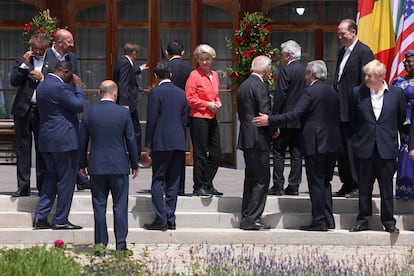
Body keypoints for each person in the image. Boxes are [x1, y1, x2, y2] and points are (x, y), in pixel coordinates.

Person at [253, 60, 342, 231]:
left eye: (306, 74)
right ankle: (328, 219)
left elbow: (295, 113)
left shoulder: (309, 92)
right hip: (332, 143)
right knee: (325, 183)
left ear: (310, 74)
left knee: (316, 183)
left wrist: (270, 120)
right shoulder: (332, 91)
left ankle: (319, 222)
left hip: (316, 143)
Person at [79, 80, 139, 250]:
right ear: (115, 94)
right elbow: (131, 139)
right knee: (120, 206)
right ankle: (121, 245)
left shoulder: (89, 113)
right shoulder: (123, 113)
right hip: (119, 165)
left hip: (97, 166)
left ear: (99, 93)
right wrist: (135, 163)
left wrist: (82, 163)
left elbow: (82, 141)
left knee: (99, 206)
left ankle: (100, 244)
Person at [348, 59, 406, 233]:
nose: (366, 78)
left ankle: (388, 221)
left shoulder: (396, 93)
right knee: (364, 187)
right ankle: (363, 219)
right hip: (365, 147)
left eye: (370, 75)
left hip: (386, 148)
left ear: (381, 77)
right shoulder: (357, 93)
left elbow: (401, 118)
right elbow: (353, 119)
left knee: (386, 188)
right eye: (365, 74)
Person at [32, 61, 84, 230]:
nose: (72, 78)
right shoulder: (60, 88)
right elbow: (78, 106)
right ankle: (61, 219)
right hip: (64, 141)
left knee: (51, 178)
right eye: (71, 75)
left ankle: (40, 216)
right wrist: (78, 87)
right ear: (65, 71)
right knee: (66, 181)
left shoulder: (42, 85)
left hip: (47, 139)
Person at [143, 61, 189, 231]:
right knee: (173, 181)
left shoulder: (155, 93)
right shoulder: (181, 93)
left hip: (161, 141)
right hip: (178, 140)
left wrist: (148, 144)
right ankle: (170, 217)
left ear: (155, 76)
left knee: (158, 179)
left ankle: (160, 218)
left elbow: (152, 119)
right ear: (170, 75)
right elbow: (185, 119)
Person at [44, 28, 90, 191]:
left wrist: (75, 92)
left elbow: (74, 78)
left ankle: (79, 177)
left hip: (69, 104)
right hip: (53, 108)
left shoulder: (72, 58)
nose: (72, 45)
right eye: (69, 42)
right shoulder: (46, 57)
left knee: (73, 143)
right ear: (59, 42)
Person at [333, 19, 374, 198]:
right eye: (339, 33)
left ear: (353, 32)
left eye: (343, 33)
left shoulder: (364, 52)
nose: (340, 36)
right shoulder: (342, 52)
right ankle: (346, 183)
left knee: (353, 150)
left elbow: (367, 82)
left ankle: (358, 185)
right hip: (340, 110)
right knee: (342, 150)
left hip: (354, 110)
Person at [9, 34, 49, 197]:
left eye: (40, 49)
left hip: (43, 111)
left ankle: (43, 186)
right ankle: (23, 186)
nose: (37, 52)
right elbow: (14, 81)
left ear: (46, 48)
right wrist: (24, 65)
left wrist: (43, 78)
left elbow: (59, 84)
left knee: (42, 149)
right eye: (35, 49)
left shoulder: (52, 62)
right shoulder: (22, 60)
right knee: (23, 149)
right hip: (23, 110)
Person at [237, 55, 272, 231]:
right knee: (261, 179)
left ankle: (246, 214)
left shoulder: (244, 85)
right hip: (258, 138)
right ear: (266, 70)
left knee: (250, 178)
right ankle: (252, 218)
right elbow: (264, 113)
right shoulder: (259, 86)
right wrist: (273, 128)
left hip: (246, 136)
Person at [269, 40, 306, 196]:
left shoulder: (286, 70)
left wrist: (275, 118)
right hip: (300, 117)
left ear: (288, 55)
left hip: (285, 117)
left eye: (282, 55)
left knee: (278, 151)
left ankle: (278, 185)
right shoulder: (305, 70)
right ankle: (294, 185)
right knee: (297, 153)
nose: (281, 58)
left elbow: (280, 94)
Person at [185, 44, 222, 198]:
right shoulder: (194, 75)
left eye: (207, 59)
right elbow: (190, 98)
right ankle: (199, 185)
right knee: (200, 153)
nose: (205, 62)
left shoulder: (215, 75)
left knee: (216, 153)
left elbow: (215, 95)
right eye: (201, 59)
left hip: (212, 116)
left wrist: (218, 102)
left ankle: (208, 183)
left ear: (212, 59)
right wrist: (207, 104)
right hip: (199, 117)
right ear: (197, 60)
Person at [112, 42, 149, 168]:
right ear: (134, 53)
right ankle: (135, 159)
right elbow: (123, 82)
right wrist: (124, 103)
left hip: (126, 103)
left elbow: (129, 72)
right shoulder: (125, 63)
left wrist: (140, 69)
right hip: (127, 104)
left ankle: (132, 158)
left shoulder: (122, 61)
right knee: (134, 131)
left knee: (128, 130)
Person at [165, 40, 193, 196]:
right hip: (183, 113)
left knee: (164, 150)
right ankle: (179, 186)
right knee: (179, 151)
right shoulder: (189, 69)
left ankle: (165, 184)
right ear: (182, 53)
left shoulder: (165, 67)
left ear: (167, 53)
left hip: (166, 113)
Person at [393, 50, 414, 200]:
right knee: (406, 151)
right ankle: (405, 189)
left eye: (409, 61)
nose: (406, 64)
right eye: (404, 62)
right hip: (404, 123)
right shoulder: (398, 82)